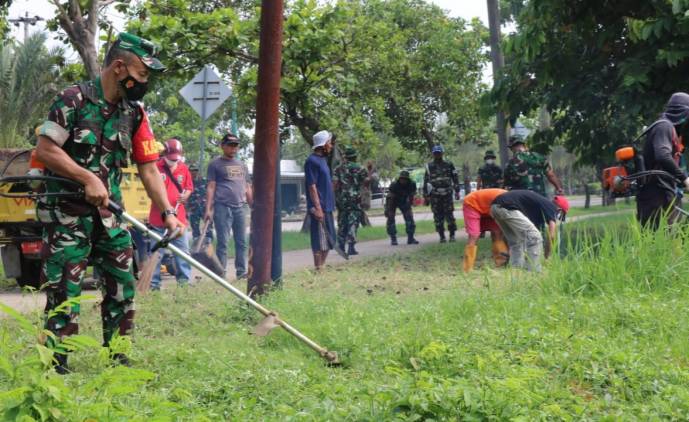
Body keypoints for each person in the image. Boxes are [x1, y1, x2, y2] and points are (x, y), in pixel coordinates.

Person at [34, 32, 182, 373]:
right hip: (67, 217)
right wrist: (86, 177)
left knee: (122, 286)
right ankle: (56, 364)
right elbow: (45, 149)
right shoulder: (72, 99)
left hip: (110, 216)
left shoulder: (135, 113)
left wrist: (169, 212)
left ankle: (118, 357)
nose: (145, 82)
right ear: (119, 67)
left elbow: (148, 167)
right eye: (142, 74)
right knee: (63, 292)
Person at [637, 93, 689, 229]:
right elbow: (663, 155)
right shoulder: (664, 127)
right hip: (656, 196)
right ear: (682, 112)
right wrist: (685, 179)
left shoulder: (670, 129)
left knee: (673, 242)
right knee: (656, 243)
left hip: (666, 193)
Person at [205, 133, 253, 279]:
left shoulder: (242, 165)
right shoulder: (215, 164)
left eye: (236, 146)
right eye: (230, 145)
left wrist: (253, 206)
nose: (233, 149)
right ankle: (221, 274)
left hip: (240, 207)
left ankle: (241, 272)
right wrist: (208, 209)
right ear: (223, 146)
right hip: (222, 207)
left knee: (241, 242)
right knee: (223, 243)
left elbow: (247, 187)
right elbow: (211, 187)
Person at [148, 139, 194, 290]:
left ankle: (184, 284)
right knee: (156, 253)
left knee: (182, 253)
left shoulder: (184, 168)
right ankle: (154, 285)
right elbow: (150, 189)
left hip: (179, 220)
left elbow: (188, 187)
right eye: (171, 157)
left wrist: (185, 195)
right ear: (164, 154)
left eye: (176, 158)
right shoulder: (156, 167)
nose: (173, 161)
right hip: (158, 218)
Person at [490, 190, 568, 272]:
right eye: (561, 215)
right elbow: (552, 235)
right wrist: (546, 256)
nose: (558, 218)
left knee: (516, 241)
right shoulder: (551, 207)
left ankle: (516, 270)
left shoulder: (539, 206)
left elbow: (528, 235)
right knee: (535, 238)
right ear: (559, 210)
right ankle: (534, 272)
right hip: (507, 207)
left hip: (495, 207)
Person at [305, 130, 337, 270]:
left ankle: (322, 266)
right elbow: (312, 186)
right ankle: (318, 268)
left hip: (328, 206)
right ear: (323, 145)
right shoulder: (311, 161)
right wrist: (317, 208)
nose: (331, 145)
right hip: (320, 207)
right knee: (320, 240)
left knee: (329, 239)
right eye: (329, 142)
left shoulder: (323, 160)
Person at [461, 188, 508, 272]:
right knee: (474, 235)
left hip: (491, 208)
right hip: (472, 204)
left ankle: (501, 262)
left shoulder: (510, 201)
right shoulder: (509, 201)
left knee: (497, 233)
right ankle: (467, 268)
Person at [333, 146, 368, 255]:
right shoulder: (361, 169)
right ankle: (351, 247)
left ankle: (341, 246)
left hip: (342, 199)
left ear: (346, 157)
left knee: (342, 221)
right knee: (353, 221)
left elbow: (335, 184)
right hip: (355, 199)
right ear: (355, 156)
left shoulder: (338, 169)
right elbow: (365, 182)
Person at [423, 144, 460, 242]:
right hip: (435, 195)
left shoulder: (449, 164)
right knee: (438, 217)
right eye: (435, 153)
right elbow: (426, 182)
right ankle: (442, 237)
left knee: (450, 216)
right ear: (433, 154)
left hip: (447, 193)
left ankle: (452, 236)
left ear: (442, 153)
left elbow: (455, 178)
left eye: (439, 153)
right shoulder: (429, 166)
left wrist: (457, 191)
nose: (437, 155)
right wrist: (426, 196)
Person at [386, 170, 419, 245]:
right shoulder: (394, 185)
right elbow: (390, 198)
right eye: (401, 178)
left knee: (409, 218)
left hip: (404, 201)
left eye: (405, 179)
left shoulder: (412, 184)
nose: (403, 180)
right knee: (390, 218)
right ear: (399, 178)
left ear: (408, 179)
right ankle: (393, 238)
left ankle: (410, 238)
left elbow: (411, 195)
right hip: (393, 201)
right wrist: (388, 210)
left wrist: (409, 206)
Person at [188, 165, 213, 247]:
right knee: (195, 229)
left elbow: (211, 192)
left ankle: (208, 246)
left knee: (208, 227)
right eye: (191, 170)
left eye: (195, 170)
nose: (193, 172)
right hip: (193, 209)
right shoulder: (188, 182)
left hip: (204, 208)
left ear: (198, 171)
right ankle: (196, 246)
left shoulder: (204, 181)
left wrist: (210, 207)